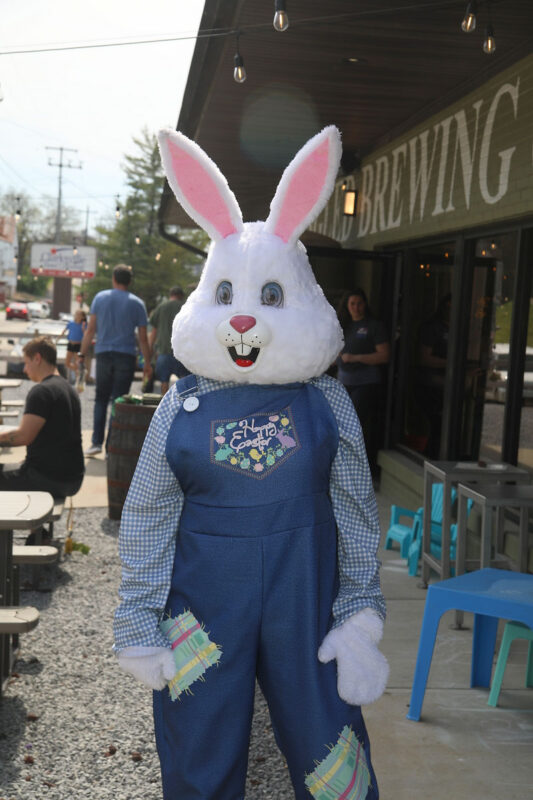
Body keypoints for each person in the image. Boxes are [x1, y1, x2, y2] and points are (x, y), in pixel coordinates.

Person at [114, 127, 387, 800]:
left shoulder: (327, 403)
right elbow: (148, 514)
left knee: (332, 752)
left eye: (268, 297)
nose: (244, 322)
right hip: (201, 611)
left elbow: (355, 508)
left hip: (308, 602)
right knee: (198, 742)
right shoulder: (180, 406)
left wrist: (359, 607)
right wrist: (139, 619)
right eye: (229, 298)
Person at [79, 265, 152, 456]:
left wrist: (81, 353)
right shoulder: (137, 303)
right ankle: (112, 445)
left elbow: (90, 329)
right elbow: (143, 338)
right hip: (126, 356)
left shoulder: (100, 298)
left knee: (100, 399)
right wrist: (147, 364)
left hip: (103, 354)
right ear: (129, 281)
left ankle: (95, 443)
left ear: (113, 278)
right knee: (118, 402)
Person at [0, 336, 84, 497]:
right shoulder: (68, 388)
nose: (25, 369)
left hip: (47, 478)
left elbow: (23, 437)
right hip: (72, 478)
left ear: (37, 358)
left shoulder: (42, 391)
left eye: (26, 363)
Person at [336, 288, 390, 472]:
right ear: (346, 306)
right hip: (343, 383)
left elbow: (384, 356)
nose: (356, 308)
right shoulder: (343, 325)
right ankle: (343, 467)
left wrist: (356, 357)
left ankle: (359, 468)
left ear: (365, 305)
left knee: (355, 423)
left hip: (366, 382)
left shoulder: (373, 326)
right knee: (340, 425)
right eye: (352, 304)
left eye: (359, 303)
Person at [415, 293, 451, 458]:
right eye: (448, 306)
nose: (451, 310)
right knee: (438, 423)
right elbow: (424, 358)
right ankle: (431, 456)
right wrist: (452, 364)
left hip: (448, 383)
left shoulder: (455, 327)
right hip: (431, 383)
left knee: (444, 424)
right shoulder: (432, 328)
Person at [148, 286, 189, 394]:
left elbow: (154, 332)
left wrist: (150, 351)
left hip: (164, 353)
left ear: (170, 295)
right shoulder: (186, 307)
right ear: (181, 296)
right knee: (184, 384)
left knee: (164, 383)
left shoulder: (161, 307)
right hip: (182, 355)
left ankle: (164, 405)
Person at [61, 309, 87, 383]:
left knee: (77, 363)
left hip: (78, 345)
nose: (77, 315)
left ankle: (78, 379)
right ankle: (79, 373)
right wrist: (57, 339)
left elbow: (86, 335)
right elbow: (64, 331)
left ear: (82, 317)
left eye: (79, 314)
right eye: (76, 314)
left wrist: (83, 329)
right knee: (67, 363)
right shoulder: (71, 323)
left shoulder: (84, 325)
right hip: (70, 344)